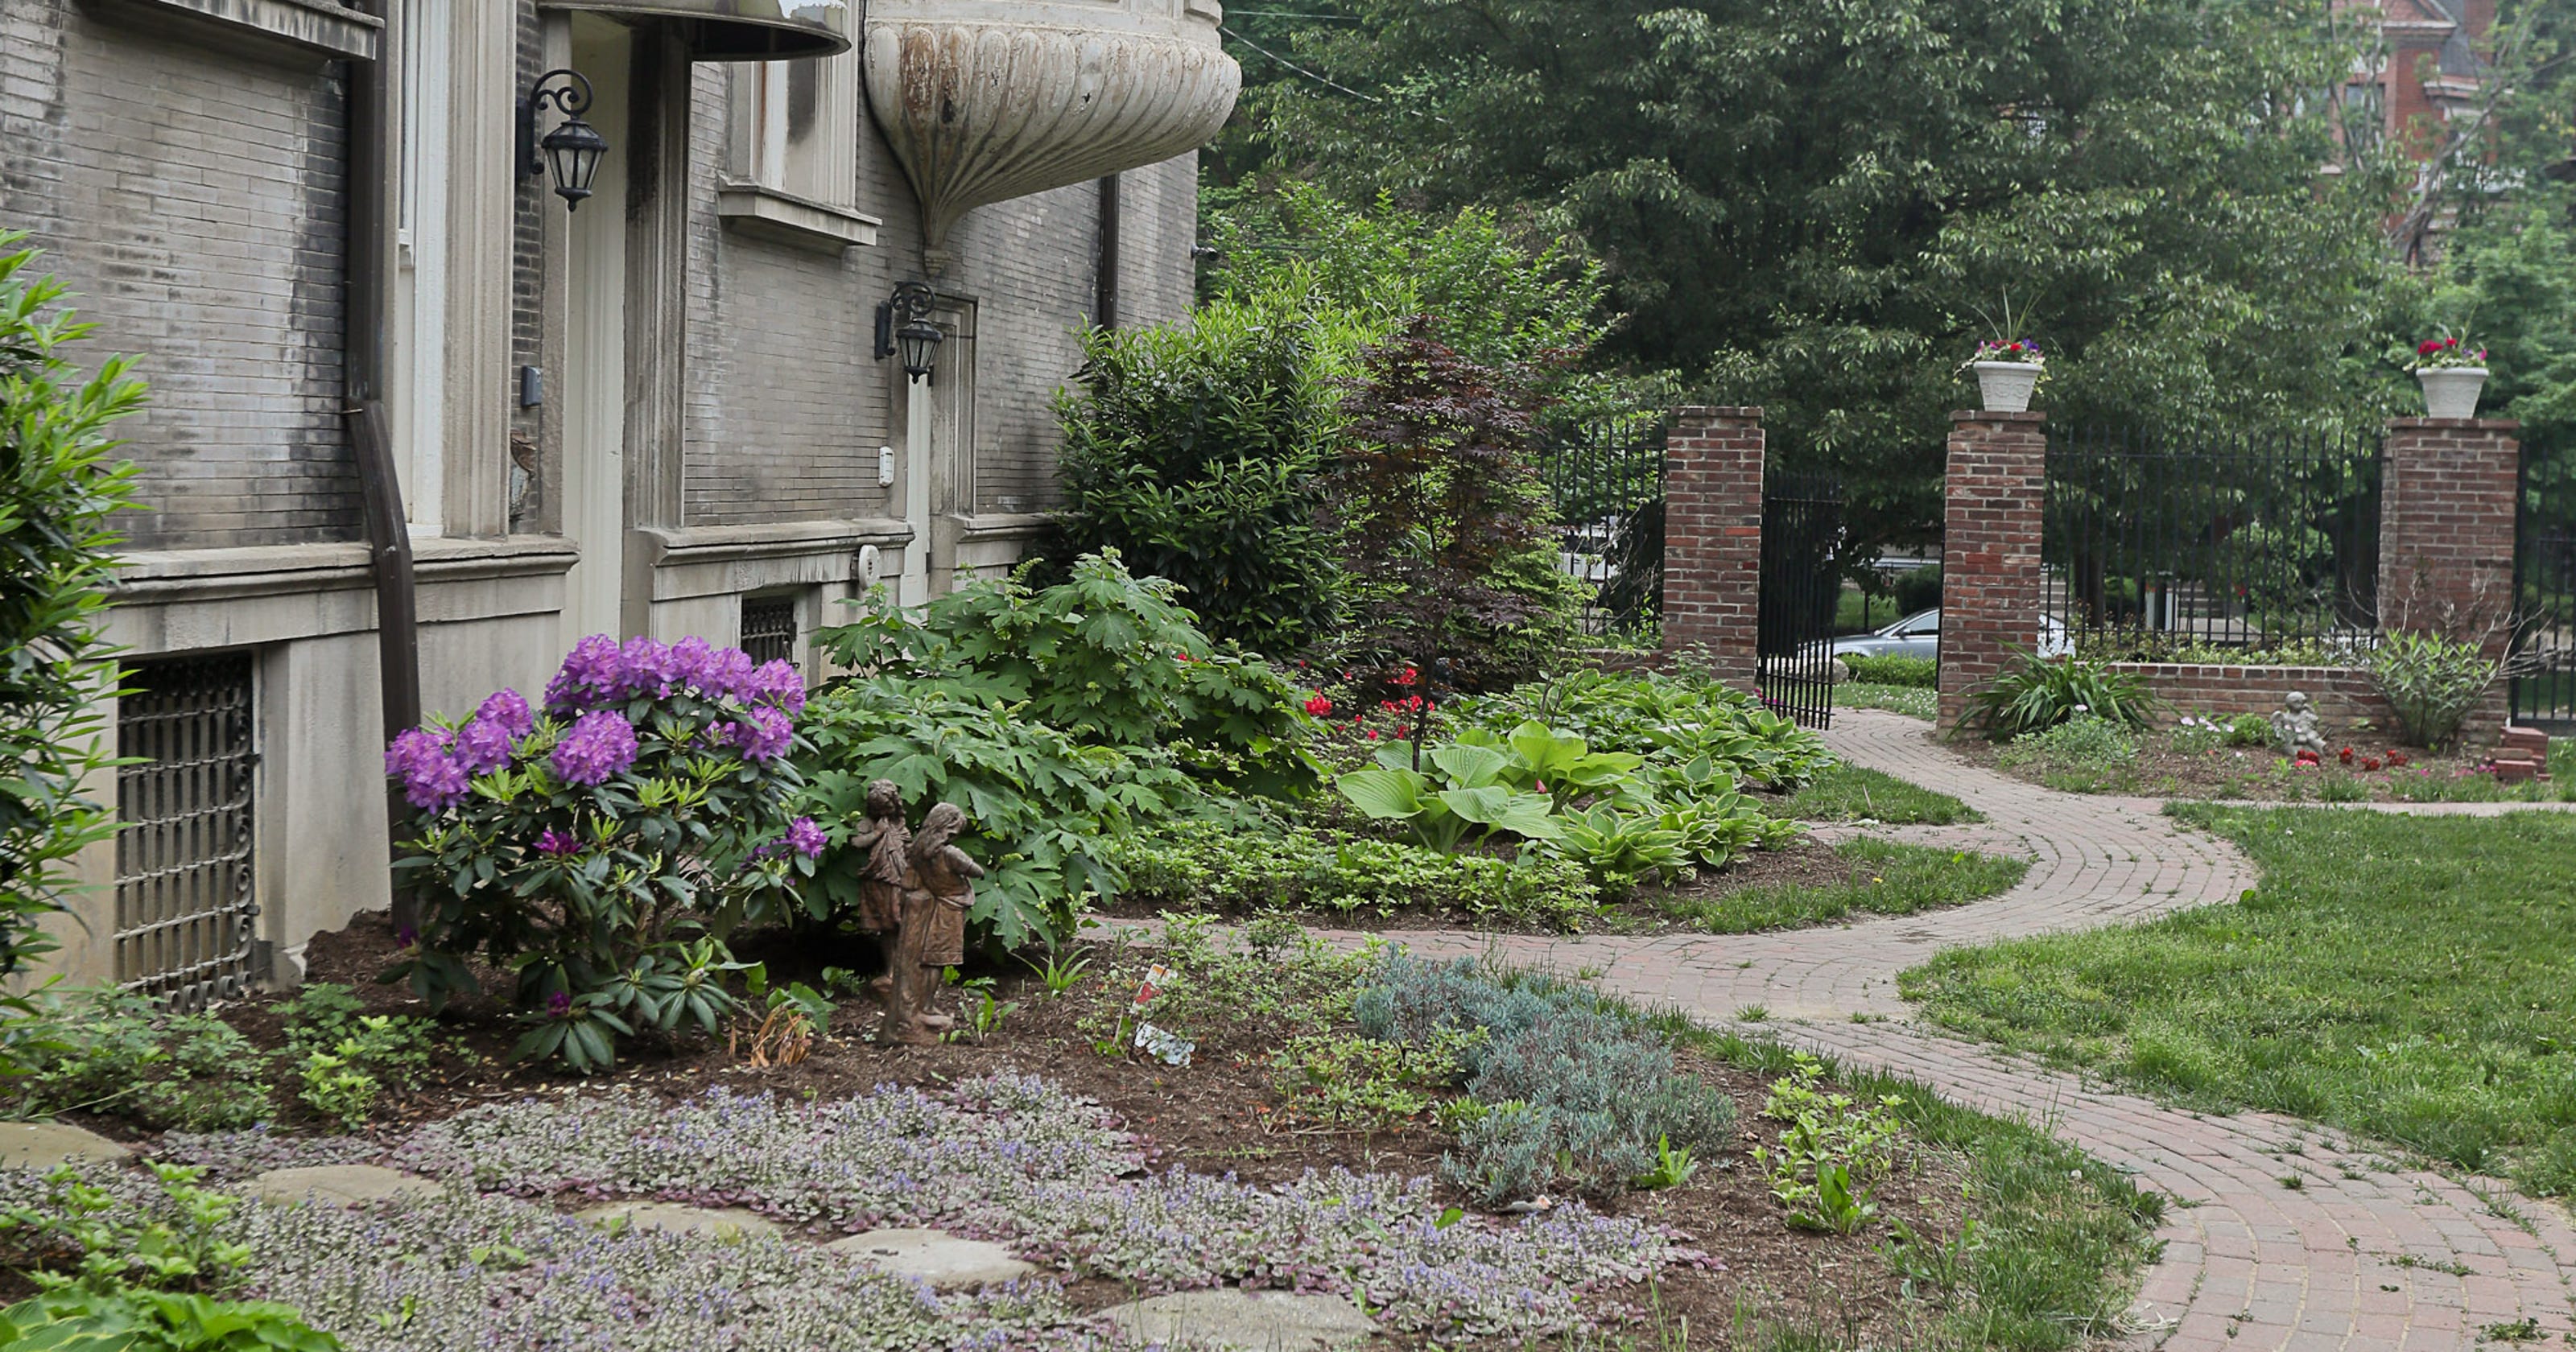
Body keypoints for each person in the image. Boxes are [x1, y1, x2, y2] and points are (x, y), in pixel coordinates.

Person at [885, 802, 983, 1046]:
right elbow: (977, 871)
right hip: (950, 908)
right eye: (955, 830)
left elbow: (908, 881)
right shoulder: (950, 854)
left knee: (928, 957)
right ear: (947, 827)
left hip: (931, 906)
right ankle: (926, 1005)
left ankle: (922, 1004)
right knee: (938, 958)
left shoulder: (918, 850)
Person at [839, 779, 911, 998]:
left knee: (904, 925)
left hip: (900, 879)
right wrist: (878, 833)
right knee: (888, 927)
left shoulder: (900, 825)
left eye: (888, 808)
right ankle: (891, 970)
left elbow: (908, 848)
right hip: (879, 881)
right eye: (879, 810)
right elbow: (857, 843)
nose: (885, 813)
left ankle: (906, 970)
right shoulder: (868, 823)